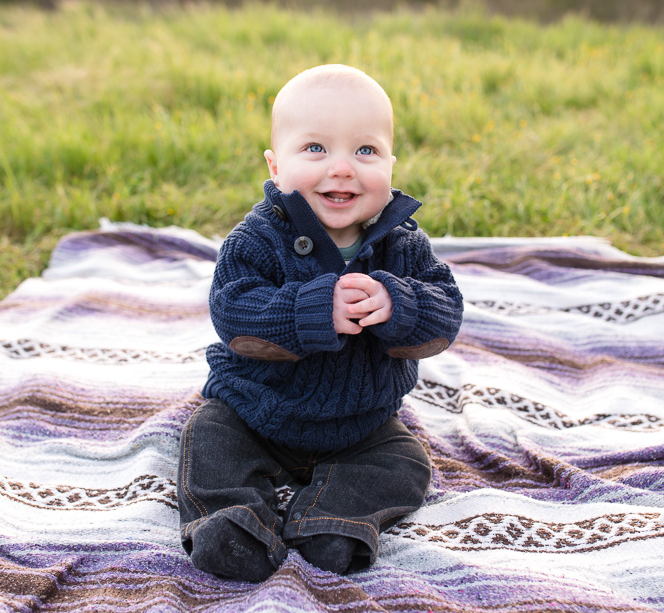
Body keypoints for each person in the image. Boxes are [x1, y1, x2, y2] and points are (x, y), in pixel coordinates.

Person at [177, 64, 464, 582]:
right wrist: (312, 311)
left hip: (363, 423)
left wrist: (399, 305)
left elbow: (446, 312)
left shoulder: (402, 244)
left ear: (392, 164)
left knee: (407, 463)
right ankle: (233, 523)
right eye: (315, 149)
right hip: (256, 411)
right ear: (274, 165)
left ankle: (333, 520)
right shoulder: (257, 240)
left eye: (365, 151)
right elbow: (233, 312)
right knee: (208, 439)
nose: (342, 169)